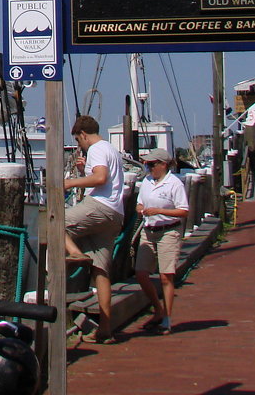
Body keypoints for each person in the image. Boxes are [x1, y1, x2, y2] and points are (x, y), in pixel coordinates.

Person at [63, 115, 124, 343]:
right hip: (115, 212)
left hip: (101, 206)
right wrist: (83, 173)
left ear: (83, 135)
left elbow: (100, 178)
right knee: (101, 270)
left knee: (54, 221)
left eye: (78, 141)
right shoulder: (110, 149)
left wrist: (69, 183)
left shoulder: (97, 148)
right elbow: (104, 178)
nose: (80, 145)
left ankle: (75, 252)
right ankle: (105, 329)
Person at [134, 147, 190, 334]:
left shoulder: (174, 184)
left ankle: (166, 319)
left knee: (166, 276)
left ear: (163, 165)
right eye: (147, 165)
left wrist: (160, 211)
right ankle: (157, 308)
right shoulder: (147, 181)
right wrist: (141, 208)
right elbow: (140, 203)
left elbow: (183, 211)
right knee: (141, 273)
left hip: (169, 231)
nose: (149, 168)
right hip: (149, 230)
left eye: (152, 165)